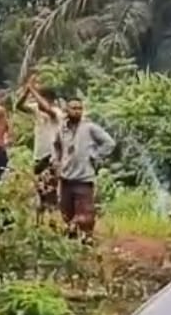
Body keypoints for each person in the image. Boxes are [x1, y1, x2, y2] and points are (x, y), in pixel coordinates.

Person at [52, 97, 116, 238]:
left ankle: (87, 240)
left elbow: (109, 143)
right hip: (66, 178)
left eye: (79, 108)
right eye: (73, 108)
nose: (77, 111)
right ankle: (72, 241)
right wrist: (56, 161)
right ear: (66, 110)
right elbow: (56, 145)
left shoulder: (90, 128)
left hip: (84, 178)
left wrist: (95, 155)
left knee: (86, 215)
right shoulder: (62, 129)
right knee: (66, 213)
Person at [17, 76, 62, 212]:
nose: (35, 101)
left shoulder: (56, 112)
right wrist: (27, 91)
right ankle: (43, 216)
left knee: (50, 188)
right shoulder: (37, 110)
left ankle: (52, 215)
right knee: (40, 187)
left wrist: (32, 90)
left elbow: (46, 108)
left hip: (52, 155)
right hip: (39, 154)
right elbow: (19, 106)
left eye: (39, 98)